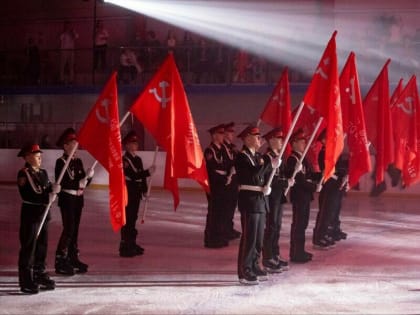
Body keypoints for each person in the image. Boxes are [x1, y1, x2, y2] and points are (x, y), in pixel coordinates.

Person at [236, 125, 278, 285]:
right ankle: (244, 269)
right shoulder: (242, 157)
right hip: (249, 200)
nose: (260, 139)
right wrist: (269, 163)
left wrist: (271, 176)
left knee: (259, 238)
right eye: (256, 136)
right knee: (250, 237)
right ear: (247, 139)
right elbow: (253, 177)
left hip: (260, 200)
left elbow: (264, 176)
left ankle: (254, 264)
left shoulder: (258, 156)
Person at [17, 143, 60, 294]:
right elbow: (30, 194)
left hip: (43, 214)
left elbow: (47, 189)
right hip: (31, 216)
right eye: (36, 155)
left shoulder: (43, 173)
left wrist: (54, 189)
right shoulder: (24, 174)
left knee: (42, 246)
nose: (40, 157)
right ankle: (26, 279)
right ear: (27, 157)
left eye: (40, 154)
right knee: (29, 248)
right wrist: (47, 196)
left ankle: (39, 273)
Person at [54, 128, 93, 275]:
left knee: (75, 230)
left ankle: (72, 257)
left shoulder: (78, 161)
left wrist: (89, 177)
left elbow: (83, 183)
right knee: (68, 229)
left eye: (77, 144)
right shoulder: (60, 162)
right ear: (65, 146)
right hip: (67, 199)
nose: (77, 147)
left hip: (78, 199)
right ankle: (60, 259)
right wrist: (80, 182)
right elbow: (62, 182)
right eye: (73, 144)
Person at [285, 128, 319, 263]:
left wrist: (322, 175)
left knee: (302, 224)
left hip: (304, 196)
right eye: (301, 141)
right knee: (298, 224)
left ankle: (300, 250)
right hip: (299, 196)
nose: (304, 143)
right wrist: (315, 186)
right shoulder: (293, 160)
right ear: (293, 143)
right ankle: (295, 253)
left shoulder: (302, 158)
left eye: (304, 141)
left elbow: (309, 175)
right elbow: (300, 180)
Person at [262, 128, 293, 273]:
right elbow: (270, 180)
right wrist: (286, 183)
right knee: (271, 226)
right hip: (271, 197)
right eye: (279, 139)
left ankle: (275, 253)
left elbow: (285, 174)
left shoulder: (279, 157)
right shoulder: (267, 158)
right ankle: (268, 257)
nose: (281, 142)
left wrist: (294, 171)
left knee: (277, 226)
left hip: (278, 197)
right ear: (271, 141)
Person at [120, 131, 155, 257]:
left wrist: (145, 190)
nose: (135, 145)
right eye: (132, 143)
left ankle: (132, 243)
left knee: (133, 219)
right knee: (128, 219)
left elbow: (142, 178)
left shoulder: (138, 159)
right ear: (127, 145)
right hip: (129, 193)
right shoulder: (125, 160)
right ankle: (125, 245)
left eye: (136, 142)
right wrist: (147, 172)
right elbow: (133, 176)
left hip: (136, 193)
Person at [314, 130, 349, 248]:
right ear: (323, 141)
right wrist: (339, 178)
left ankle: (329, 232)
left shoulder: (332, 152)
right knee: (326, 212)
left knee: (333, 211)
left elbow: (339, 167)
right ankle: (320, 236)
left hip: (335, 186)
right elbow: (327, 172)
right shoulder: (323, 153)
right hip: (329, 186)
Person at [204, 124, 230, 248]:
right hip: (214, 185)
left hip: (223, 185)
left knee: (221, 212)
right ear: (214, 136)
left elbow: (228, 164)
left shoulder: (223, 149)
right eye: (220, 134)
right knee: (213, 212)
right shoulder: (210, 151)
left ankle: (219, 236)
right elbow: (211, 170)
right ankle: (210, 238)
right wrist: (224, 178)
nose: (223, 136)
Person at [221, 122, 241, 240]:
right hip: (227, 181)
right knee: (226, 207)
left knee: (231, 206)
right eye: (230, 132)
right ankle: (224, 229)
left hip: (234, 181)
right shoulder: (222, 148)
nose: (232, 134)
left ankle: (229, 227)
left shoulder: (232, 147)